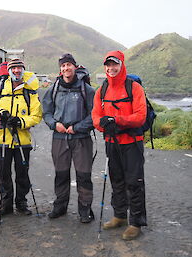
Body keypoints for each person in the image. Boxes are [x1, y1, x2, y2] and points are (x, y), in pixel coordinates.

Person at [92, 50, 147, 240]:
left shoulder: (135, 88)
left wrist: (117, 120)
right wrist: (104, 124)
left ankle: (136, 223)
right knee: (116, 180)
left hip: (132, 143)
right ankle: (120, 216)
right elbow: (96, 117)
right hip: (111, 142)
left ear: (122, 64)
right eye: (108, 65)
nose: (111, 68)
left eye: (114, 64)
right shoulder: (102, 90)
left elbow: (141, 116)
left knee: (134, 182)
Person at [42, 53, 95, 223]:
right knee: (61, 174)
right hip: (59, 137)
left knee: (84, 175)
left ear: (75, 66)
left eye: (69, 65)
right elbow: (47, 112)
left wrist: (77, 127)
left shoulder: (87, 90)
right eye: (63, 66)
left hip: (81, 138)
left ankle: (85, 208)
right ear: (60, 69)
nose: (66, 68)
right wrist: (53, 124)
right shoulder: (54, 88)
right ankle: (60, 206)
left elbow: (95, 115)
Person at [0, 58, 42, 217]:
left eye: (20, 68)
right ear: (9, 71)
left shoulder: (29, 90)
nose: (17, 71)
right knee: (3, 174)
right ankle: (6, 205)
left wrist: (21, 122)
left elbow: (37, 116)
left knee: (22, 174)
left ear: (23, 70)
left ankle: (21, 203)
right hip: (2, 139)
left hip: (23, 141)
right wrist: (0, 113)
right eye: (14, 68)